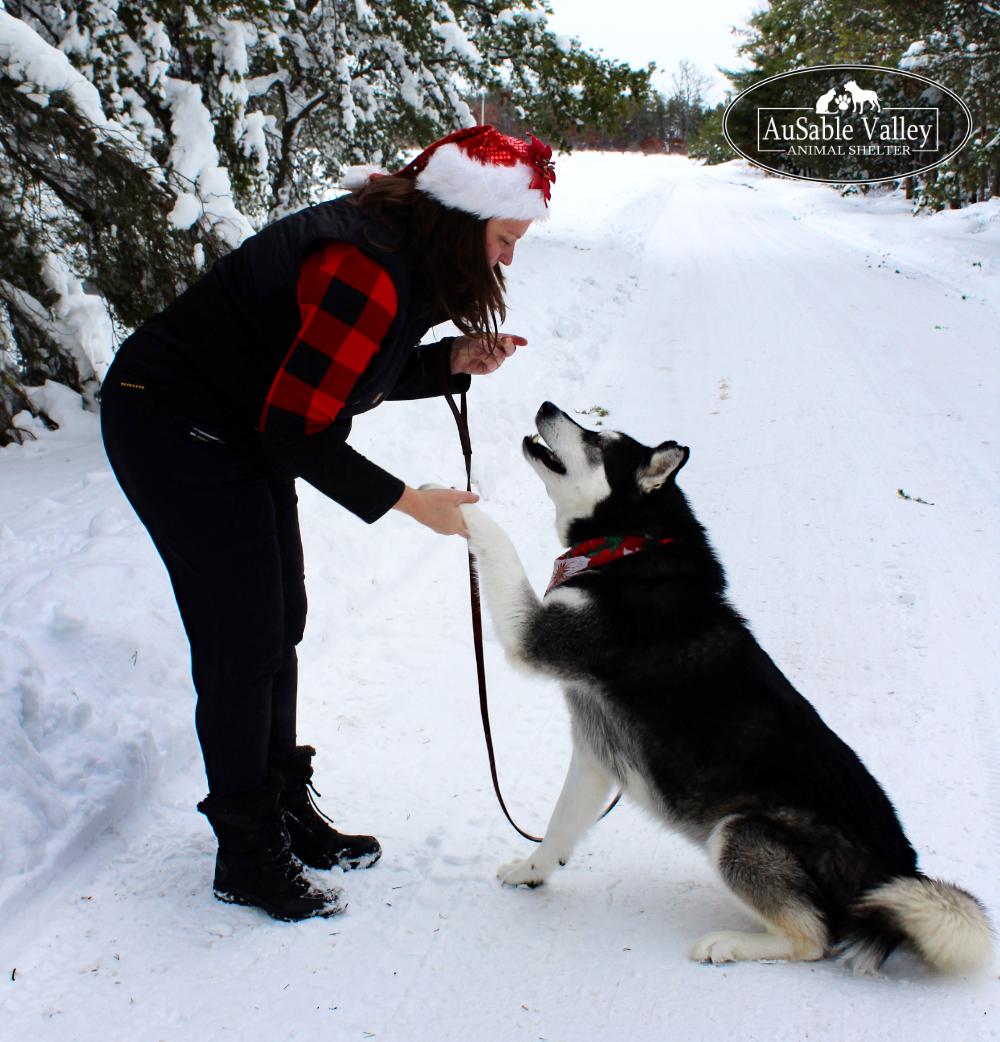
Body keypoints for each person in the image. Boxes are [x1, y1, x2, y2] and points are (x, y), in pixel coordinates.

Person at [100, 125, 555, 922]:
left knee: (281, 621)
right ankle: (245, 854)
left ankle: (276, 805)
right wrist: (415, 502)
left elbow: (337, 377)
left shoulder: (399, 247)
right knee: (242, 639)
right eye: (506, 237)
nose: (508, 259)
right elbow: (297, 427)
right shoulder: (365, 266)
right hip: (175, 422)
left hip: (246, 422)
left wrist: (448, 362)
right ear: (459, 217)